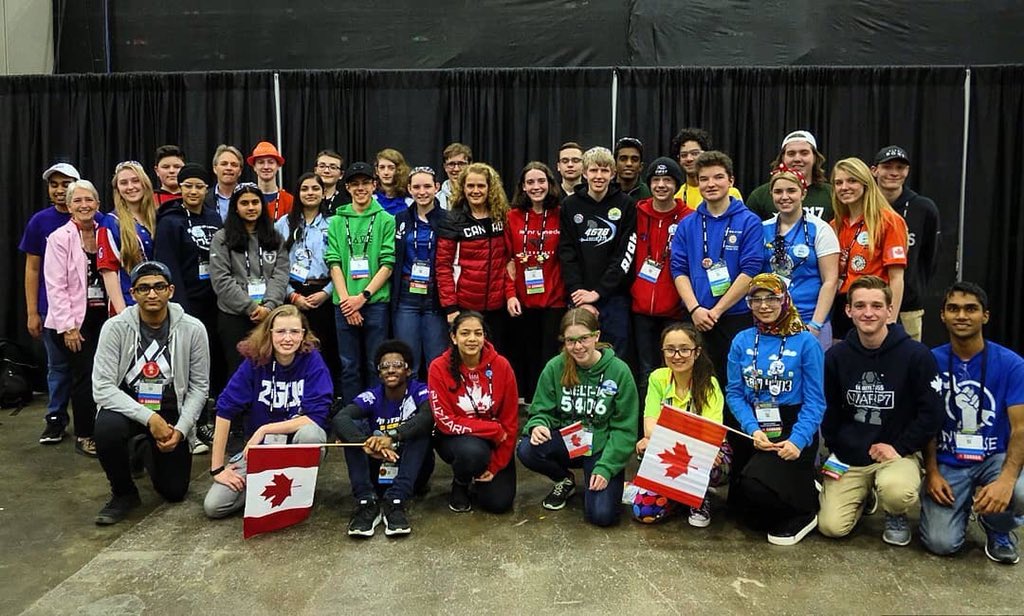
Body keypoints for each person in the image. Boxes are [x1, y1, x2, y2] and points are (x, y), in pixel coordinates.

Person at [819, 276, 944, 546]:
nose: (868, 313)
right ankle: (864, 495)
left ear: (890, 310)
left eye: (876, 306)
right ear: (848, 310)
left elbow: (931, 413)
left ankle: (895, 513)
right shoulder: (836, 357)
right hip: (851, 456)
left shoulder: (917, 355)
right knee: (831, 527)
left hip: (896, 454)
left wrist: (899, 447)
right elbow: (828, 409)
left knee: (896, 491)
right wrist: (837, 446)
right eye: (860, 305)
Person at [91, 261, 210, 525]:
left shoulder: (193, 329)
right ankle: (123, 493)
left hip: (170, 409)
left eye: (159, 287)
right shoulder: (115, 328)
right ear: (133, 293)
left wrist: (181, 430)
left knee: (174, 492)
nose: (152, 294)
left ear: (171, 290)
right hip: (129, 406)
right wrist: (150, 419)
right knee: (107, 429)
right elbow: (102, 387)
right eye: (144, 288)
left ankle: (143, 449)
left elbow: (199, 387)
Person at [921, 282, 1024, 564]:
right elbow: (926, 422)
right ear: (942, 315)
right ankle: (962, 507)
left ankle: (998, 527)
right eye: (953, 309)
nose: (962, 316)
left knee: (1020, 492)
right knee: (941, 543)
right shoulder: (929, 361)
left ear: (985, 316)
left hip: (995, 457)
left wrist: (1006, 480)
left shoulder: (1012, 364)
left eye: (971, 309)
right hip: (948, 459)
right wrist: (931, 471)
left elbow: (1020, 428)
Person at [204, 305, 332, 519]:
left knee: (312, 434)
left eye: (294, 332)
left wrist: (265, 429)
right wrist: (217, 468)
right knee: (214, 506)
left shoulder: (312, 360)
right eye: (281, 331)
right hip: (262, 450)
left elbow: (316, 416)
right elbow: (225, 409)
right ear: (269, 333)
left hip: (294, 444)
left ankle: (299, 488)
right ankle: (264, 486)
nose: (287, 338)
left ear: (303, 334)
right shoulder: (255, 361)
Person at [726, 274, 826, 545]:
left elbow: (815, 402)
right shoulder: (742, 341)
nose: (764, 305)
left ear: (785, 300)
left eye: (772, 297)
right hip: (755, 426)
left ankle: (807, 508)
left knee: (756, 486)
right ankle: (802, 484)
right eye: (755, 299)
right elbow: (734, 393)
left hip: (793, 426)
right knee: (746, 513)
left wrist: (798, 441)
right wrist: (753, 429)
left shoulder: (806, 343)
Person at [518, 308, 638, 526]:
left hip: (601, 446)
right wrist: (538, 425)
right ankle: (564, 480)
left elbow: (624, 428)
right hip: (568, 440)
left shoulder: (619, 371)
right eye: (570, 341)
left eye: (584, 338)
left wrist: (607, 467)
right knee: (527, 449)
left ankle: (601, 476)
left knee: (602, 516)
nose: (578, 346)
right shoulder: (555, 367)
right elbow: (541, 409)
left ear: (596, 336)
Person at [671, 150, 763, 384]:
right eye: (704, 179)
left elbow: (751, 270)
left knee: (734, 383)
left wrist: (717, 311)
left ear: (731, 180)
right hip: (696, 316)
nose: (711, 184)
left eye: (718, 177)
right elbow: (679, 270)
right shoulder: (687, 224)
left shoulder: (749, 221)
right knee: (697, 383)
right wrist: (695, 309)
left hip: (736, 316)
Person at [333, 340, 434, 537]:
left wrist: (393, 437)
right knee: (351, 431)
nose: (391, 370)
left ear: (408, 370)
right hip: (377, 469)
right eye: (385, 366)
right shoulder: (373, 395)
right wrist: (365, 442)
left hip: (412, 473)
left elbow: (428, 415)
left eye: (397, 365)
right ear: (379, 373)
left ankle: (396, 500)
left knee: (422, 430)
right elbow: (341, 418)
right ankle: (366, 501)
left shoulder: (419, 390)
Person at [634, 323, 730, 526]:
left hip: (701, 453)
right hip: (676, 450)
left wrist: (662, 439)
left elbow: (710, 435)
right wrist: (657, 440)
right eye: (670, 349)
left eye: (684, 349)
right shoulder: (657, 378)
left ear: (697, 352)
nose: (677, 356)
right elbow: (649, 428)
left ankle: (699, 496)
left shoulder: (709, 384)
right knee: (644, 512)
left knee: (712, 462)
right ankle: (678, 497)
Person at [43, 179, 109, 457]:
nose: (84, 205)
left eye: (89, 199)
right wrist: (68, 328)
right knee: (84, 377)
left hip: (104, 315)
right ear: (69, 206)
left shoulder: (107, 231)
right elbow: (55, 286)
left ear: (97, 203)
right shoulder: (59, 238)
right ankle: (85, 435)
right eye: (78, 201)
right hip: (75, 321)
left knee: (107, 375)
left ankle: (106, 431)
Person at [429, 311, 518, 514]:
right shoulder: (438, 367)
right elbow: (444, 421)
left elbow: (510, 422)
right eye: (465, 333)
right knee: (473, 453)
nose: (472, 339)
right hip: (455, 438)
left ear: (484, 337)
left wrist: (496, 464)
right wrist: (493, 429)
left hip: (495, 442)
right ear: (454, 337)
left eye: (478, 333)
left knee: (498, 504)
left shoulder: (501, 366)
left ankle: (479, 475)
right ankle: (461, 482)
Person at [22, 162, 83, 444]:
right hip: (51, 309)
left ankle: (90, 420)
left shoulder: (92, 217)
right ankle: (56, 418)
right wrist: (32, 311)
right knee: (57, 367)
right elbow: (32, 268)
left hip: (86, 308)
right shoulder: (40, 222)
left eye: (66, 184)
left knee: (89, 368)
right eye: (54, 184)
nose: (59, 190)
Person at [326, 162, 396, 404]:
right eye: (355, 184)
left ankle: (376, 413)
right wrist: (348, 302)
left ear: (374, 185)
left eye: (365, 183)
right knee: (349, 365)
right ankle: (351, 416)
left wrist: (362, 297)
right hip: (344, 303)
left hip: (374, 302)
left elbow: (388, 263)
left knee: (375, 364)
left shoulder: (386, 219)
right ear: (347, 188)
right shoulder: (336, 221)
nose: (360, 188)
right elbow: (333, 262)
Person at [558, 146, 636, 359]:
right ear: (584, 173)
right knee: (579, 352)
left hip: (615, 297)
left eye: (604, 170)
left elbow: (626, 254)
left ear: (613, 173)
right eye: (593, 170)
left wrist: (599, 292)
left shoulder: (626, 204)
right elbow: (566, 253)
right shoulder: (570, 205)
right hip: (579, 296)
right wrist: (580, 294)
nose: (599, 176)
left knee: (615, 354)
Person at [209, 183, 290, 377]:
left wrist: (268, 307)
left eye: (255, 202)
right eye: (244, 203)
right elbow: (221, 279)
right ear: (235, 207)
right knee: (239, 372)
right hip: (235, 316)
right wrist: (251, 307)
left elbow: (280, 274)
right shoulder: (222, 238)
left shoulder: (275, 237)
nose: (251, 207)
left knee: (271, 370)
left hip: (270, 315)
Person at [505, 161, 565, 402]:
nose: (536, 186)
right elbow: (507, 260)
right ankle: (528, 406)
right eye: (530, 182)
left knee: (549, 356)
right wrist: (510, 294)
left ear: (550, 184)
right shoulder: (512, 217)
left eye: (541, 181)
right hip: (522, 299)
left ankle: (548, 403)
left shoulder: (562, 213)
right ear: (523, 187)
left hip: (555, 299)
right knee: (526, 355)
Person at [829, 157, 909, 340]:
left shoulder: (889, 221)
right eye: (838, 183)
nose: (844, 187)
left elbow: (896, 278)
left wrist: (890, 321)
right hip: (843, 308)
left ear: (866, 183)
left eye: (852, 180)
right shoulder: (835, 225)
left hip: (874, 307)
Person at [762, 165, 840, 350]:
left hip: (810, 321)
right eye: (778, 192)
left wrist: (815, 325)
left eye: (791, 191)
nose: (784, 197)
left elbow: (830, 281)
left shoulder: (820, 229)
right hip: (771, 321)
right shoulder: (762, 229)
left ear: (803, 193)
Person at [631, 157, 693, 387]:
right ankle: (647, 411)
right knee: (646, 370)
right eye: (656, 180)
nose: (661, 185)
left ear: (677, 184)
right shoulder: (636, 212)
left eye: (667, 180)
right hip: (641, 308)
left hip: (675, 309)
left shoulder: (689, 217)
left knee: (675, 368)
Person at [435, 162, 511, 346]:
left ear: (490, 188)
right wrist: (450, 307)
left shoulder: (502, 217)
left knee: (495, 356)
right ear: (463, 188)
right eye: (470, 186)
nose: (475, 191)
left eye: (481, 186)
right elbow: (443, 266)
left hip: (499, 307)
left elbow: (509, 259)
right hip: (465, 306)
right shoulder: (453, 220)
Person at [276, 173, 340, 384]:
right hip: (292, 292)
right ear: (297, 193)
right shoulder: (284, 224)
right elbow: (274, 266)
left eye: (315, 188)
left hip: (323, 292)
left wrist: (326, 293)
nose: (310, 193)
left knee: (324, 348)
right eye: (305, 189)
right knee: (291, 345)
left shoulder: (335, 223)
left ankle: (324, 392)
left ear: (323, 193)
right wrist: (292, 295)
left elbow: (342, 265)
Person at [871, 146, 941, 342]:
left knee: (908, 357)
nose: (894, 173)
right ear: (874, 170)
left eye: (900, 167)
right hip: (868, 303)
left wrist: (915, 287)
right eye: (887, 167)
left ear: (907, 171)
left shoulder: (924, 208)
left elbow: (930, 256)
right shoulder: (862, 206)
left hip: (909, 307)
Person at [392, 166, 448, 375]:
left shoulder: (448, 220)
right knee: (408, 361)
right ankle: (410, 397)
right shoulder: (400, 219)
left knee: (437, 361)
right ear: (409, 189)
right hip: (407, 296)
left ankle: (436, 397)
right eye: (416, 187)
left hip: (436, 296)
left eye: (427, 186)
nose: (422, 192)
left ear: (437, 187)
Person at [98, 161, 158, 314]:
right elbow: (108, 271)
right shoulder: (110, 223)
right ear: (117, 188)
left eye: (135, 180)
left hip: (159, 303)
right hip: (129, 304)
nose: (130, 187)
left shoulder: (157, 217)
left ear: (145, 183)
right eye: (124, 183)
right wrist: (122, 313)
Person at [745, 130, 833, 221]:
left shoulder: (832, 195)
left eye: (804, 153)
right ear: (783, 158)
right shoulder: (759, 197)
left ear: (814, 157)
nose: (797, 159)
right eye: (791, 154)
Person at [669, 128, 743, 210]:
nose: (689, 159)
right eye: (684, 155)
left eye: (694, 153)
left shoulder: (729, 192)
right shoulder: (676, 196)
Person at [247, 141, 292, 221]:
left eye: (271, 162)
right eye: (261, 162)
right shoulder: (247, 199)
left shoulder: (289, 201)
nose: (266, 167)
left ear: (278, 166)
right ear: (254, 167)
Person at [205, 144, 244, 222]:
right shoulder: (204, 198)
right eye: (224, 164)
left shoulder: (248, 197)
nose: (229, 168)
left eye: (234, 165)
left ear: (240, 171)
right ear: (215, 168)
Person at [374, 148, 413, 216]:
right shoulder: (370, 200)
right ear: (377, 171)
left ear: (399, 170)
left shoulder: (410, 203)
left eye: (391, 168)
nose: (386, 172)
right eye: (382, 167)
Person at [437, 142, 472, 210]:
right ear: (445, 167)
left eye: (461, 164)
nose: (456, 169)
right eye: (451, 164)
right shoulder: (436, 200)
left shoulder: (477, 196)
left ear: (470, 165)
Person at [314, 149, 349, 215]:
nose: (326, 171)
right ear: (315, 170)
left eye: (333, 167)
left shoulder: (347, 203)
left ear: (341, 175)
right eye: (322, 166)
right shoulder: (305, 198)